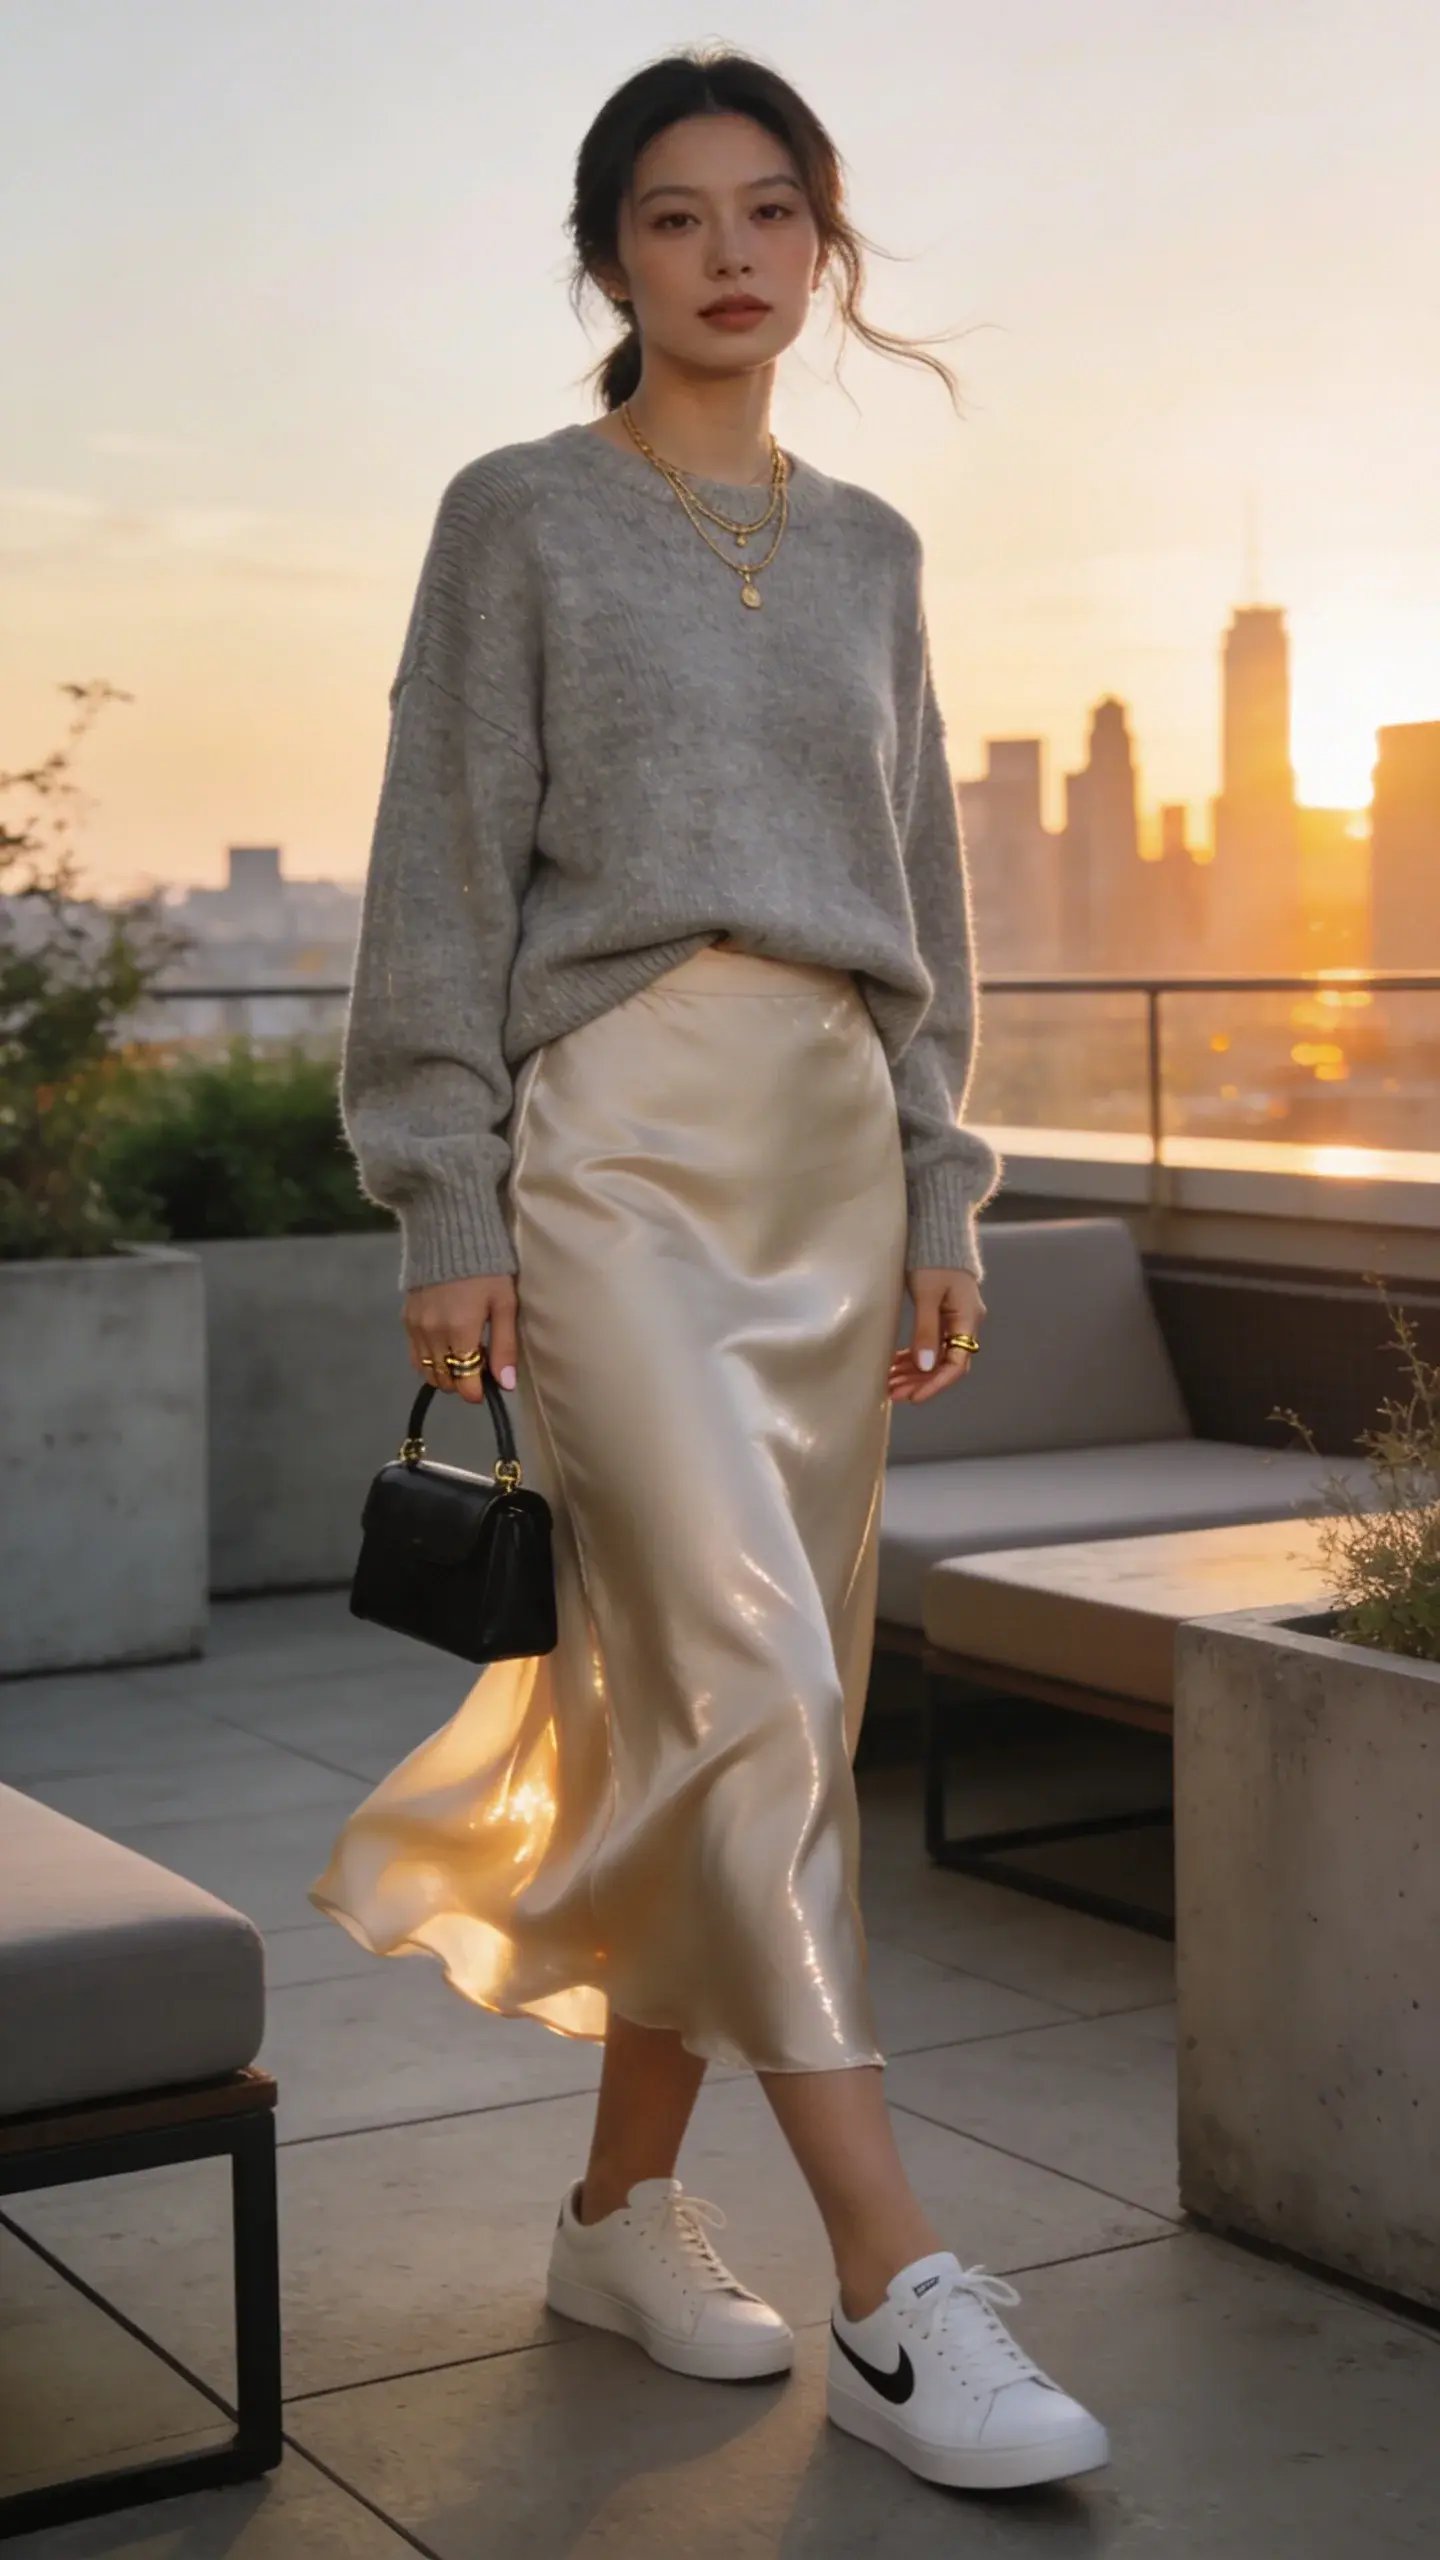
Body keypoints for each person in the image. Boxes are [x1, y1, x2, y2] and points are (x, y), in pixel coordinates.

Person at [311, 45, 1109, 2497]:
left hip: (831, 1171)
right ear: (611, 258)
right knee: (755, 1682)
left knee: (743, 1702)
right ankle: (894, 2280)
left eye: (775, 214)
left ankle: (617, 2209)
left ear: (825, 249)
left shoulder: (872, 551)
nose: (733, 256)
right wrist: (447, 1196)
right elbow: (443, 863)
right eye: (677, 219)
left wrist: (946, 1185)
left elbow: (929, 914)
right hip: (617, 1154)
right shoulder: (521, 517)